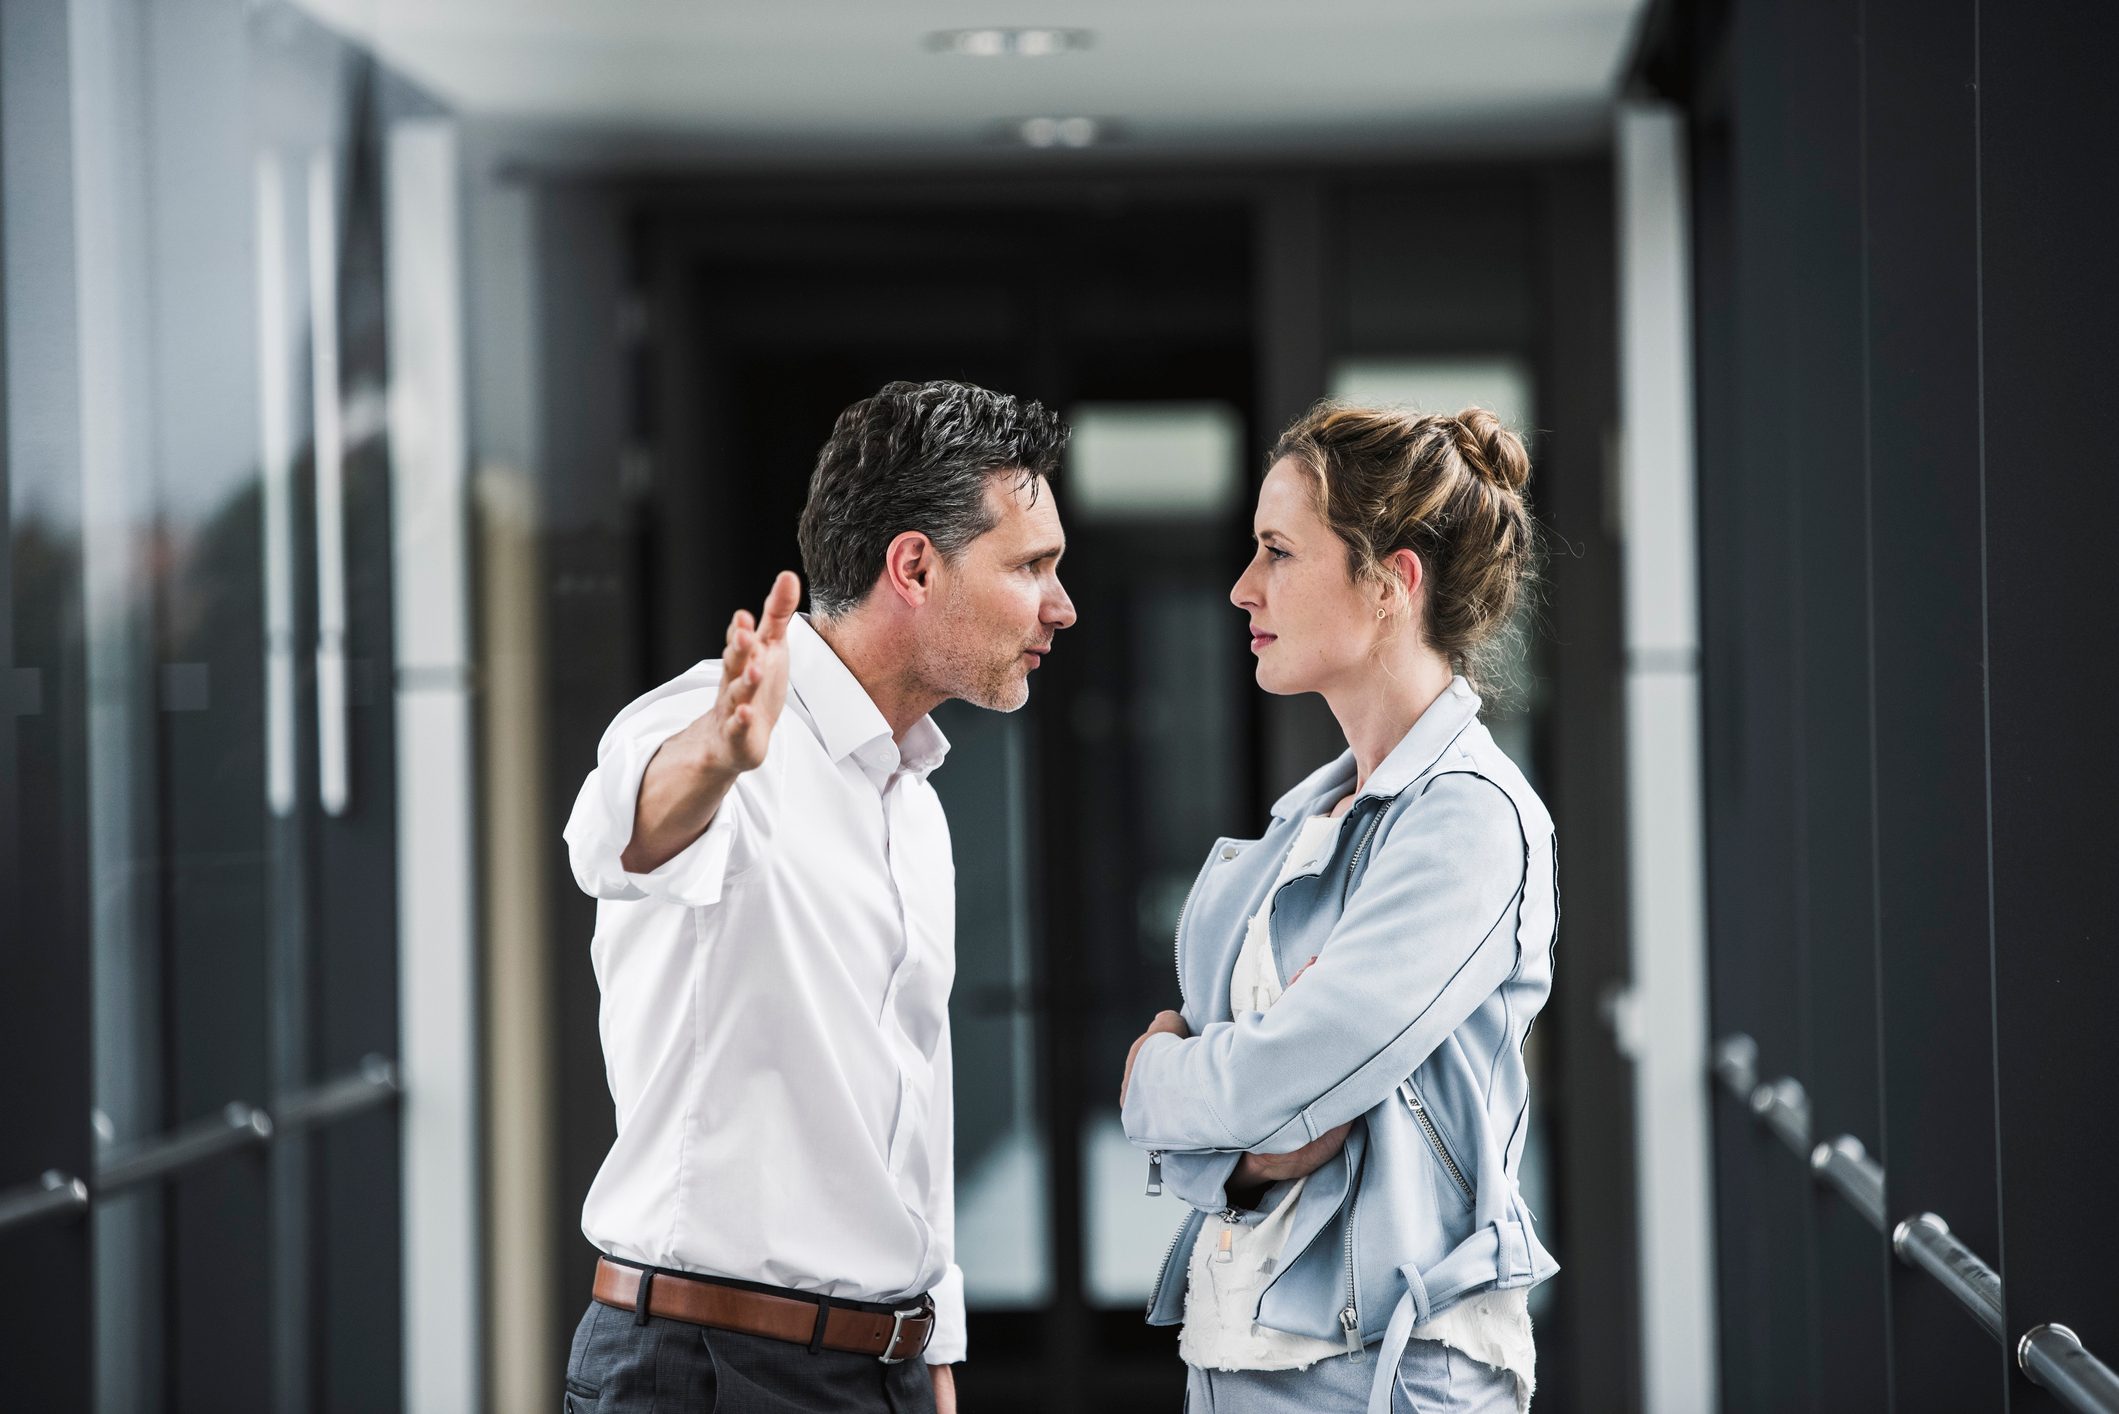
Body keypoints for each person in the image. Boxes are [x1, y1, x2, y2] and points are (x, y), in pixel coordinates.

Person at [561, 379, 1076, 1414]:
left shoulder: (913, 798)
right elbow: (620, 834)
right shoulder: (720, 726)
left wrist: (936, 1346)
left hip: (872, 1369)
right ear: (915, 566)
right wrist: (717, 752)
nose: (1061, 606)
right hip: (707, 1371)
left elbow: (909, 1097)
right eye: (1031, 566)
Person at [1119, 403, 1557, 1414]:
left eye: (1278, 551)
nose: (1242, 588)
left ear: (1392, 582)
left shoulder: (1470, 822)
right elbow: (1267, 1125)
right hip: (1244, 1353)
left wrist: (1153, 1076)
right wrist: (1239, 1130)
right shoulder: (1310, 821)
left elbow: (1276, 1085)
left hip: (1383, 1377)